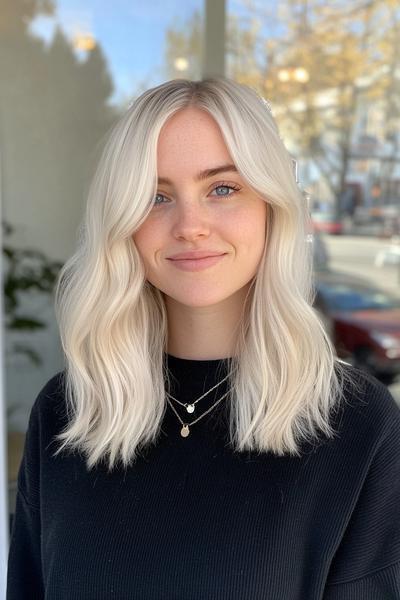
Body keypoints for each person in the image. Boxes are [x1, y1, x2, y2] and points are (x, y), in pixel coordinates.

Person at [7, 77, 400, 599]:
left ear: (271, 207)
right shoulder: (68, 411)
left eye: (222, 188)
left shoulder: (355, 424)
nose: (190, 225)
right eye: (155, 196)